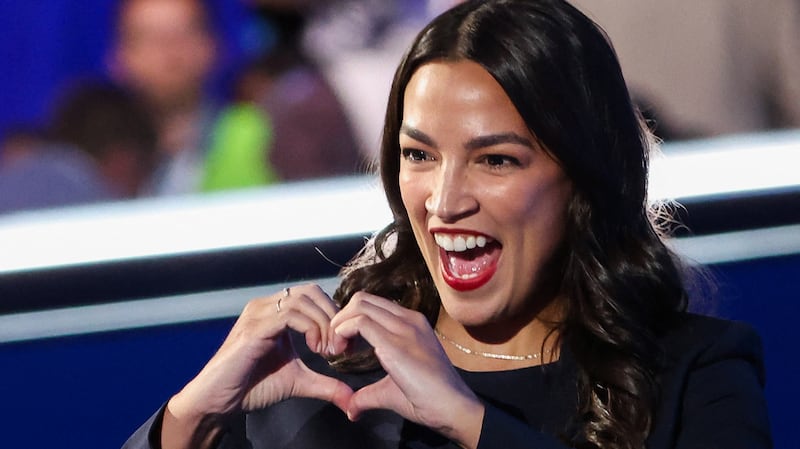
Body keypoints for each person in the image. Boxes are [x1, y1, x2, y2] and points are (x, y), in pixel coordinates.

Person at [122, 1, 771, 448]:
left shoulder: (695, 372)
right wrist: (192, 416)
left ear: (582, 172)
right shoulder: (328, 381)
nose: (444, 200)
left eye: (495, 159)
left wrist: (471, 421)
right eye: (419, 156)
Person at [0, 80, 157, 214]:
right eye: (143, 171)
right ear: (124, 159)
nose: (139, 191)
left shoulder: (14, 177)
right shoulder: (100, 214)